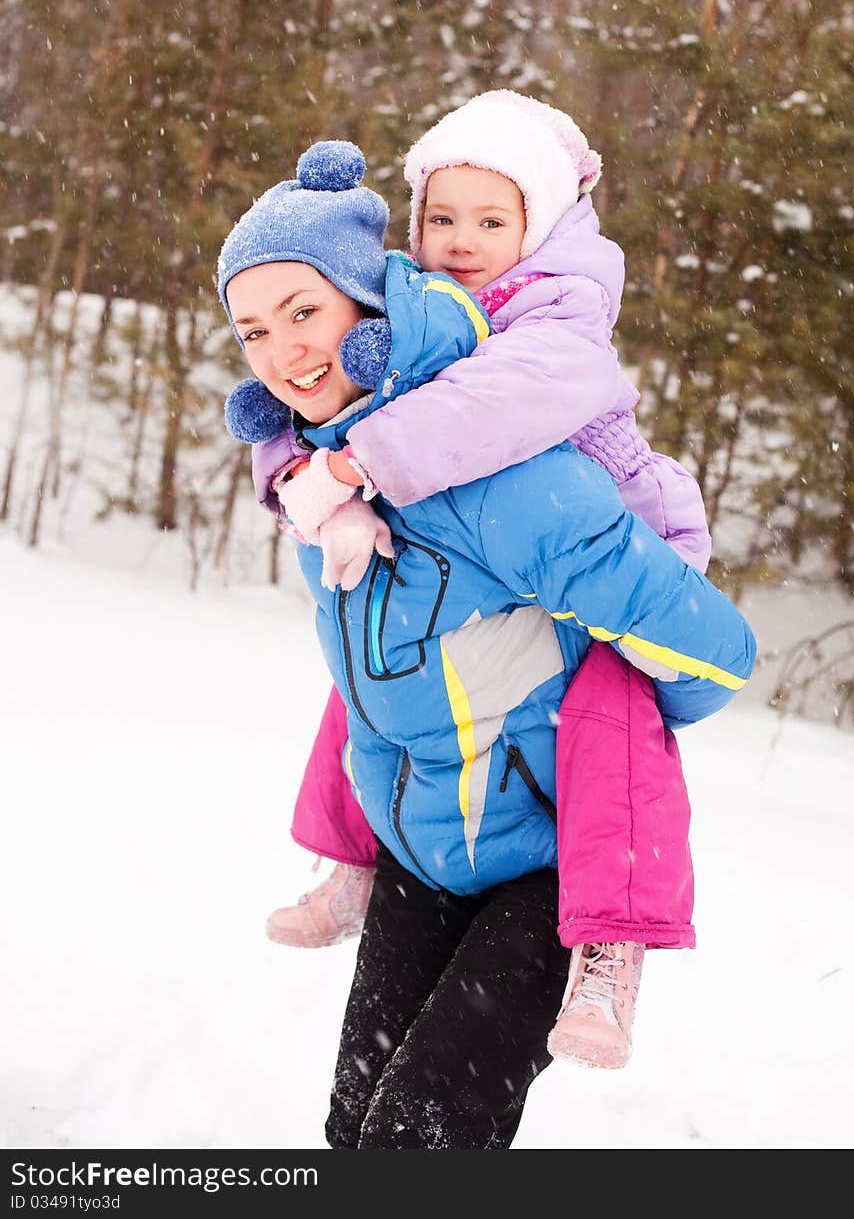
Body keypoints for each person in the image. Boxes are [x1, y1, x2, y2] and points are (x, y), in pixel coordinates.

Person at [217, 141, 756, 1147]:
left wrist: (616, 696)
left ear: (369, 312)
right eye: (253, 329)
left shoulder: (506, 483)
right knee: (354, 1127)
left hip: (546, 873)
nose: (284, 350)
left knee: (419, 1141)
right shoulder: (321, 491)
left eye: (306, 313)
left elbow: (716, 651)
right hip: (421, 852)